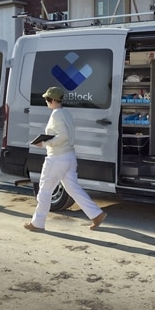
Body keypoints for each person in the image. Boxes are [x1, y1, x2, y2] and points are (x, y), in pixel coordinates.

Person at [24, 86, 107, 232]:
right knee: (74, 189)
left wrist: (44, 143)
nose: (46, 102)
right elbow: (66, 136)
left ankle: (37, 223)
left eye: (47, 99)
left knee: (44, 190)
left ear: (53, 100)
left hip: (57, 158)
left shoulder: (56, 114)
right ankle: (96, 214)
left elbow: (62, 136)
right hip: (69, 157)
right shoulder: (66, 113)